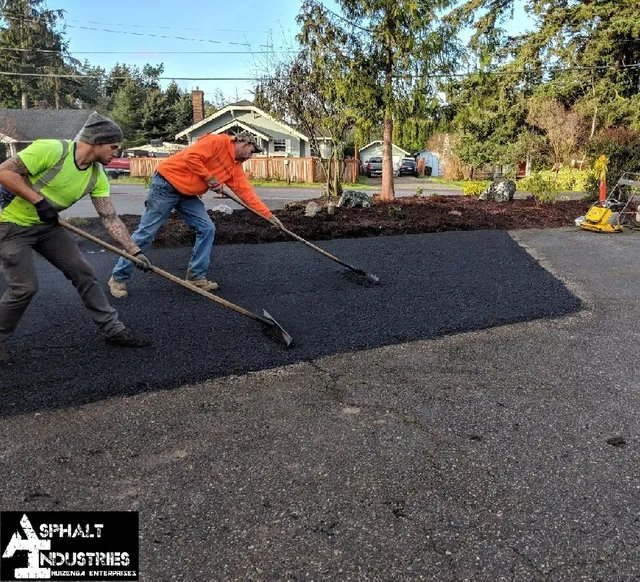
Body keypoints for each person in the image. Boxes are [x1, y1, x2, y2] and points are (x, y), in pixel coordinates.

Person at [0, 112, 153, 364]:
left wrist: (133, 251)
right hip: (10, 224)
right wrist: (38, 202)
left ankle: (113, 330)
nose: (118, 153)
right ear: (97, 142)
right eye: (114, 147)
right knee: (24, 287)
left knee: (83, 272)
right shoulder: (52, 150)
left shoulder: (96, 176)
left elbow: (109, 217)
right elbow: (4, 172)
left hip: (48, 227)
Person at [107, 131, 282, 299]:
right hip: (166, 184)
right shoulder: (217, 142)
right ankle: (118, 278)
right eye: (251, 152)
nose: (250, 157)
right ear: (244, 143)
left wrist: (268, 216)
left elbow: (246, 193)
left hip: (187, 194)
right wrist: (209, 178)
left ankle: (196, 277)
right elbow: (191, 157)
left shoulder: (235, 167)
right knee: (147, 232)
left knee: (207, 228)